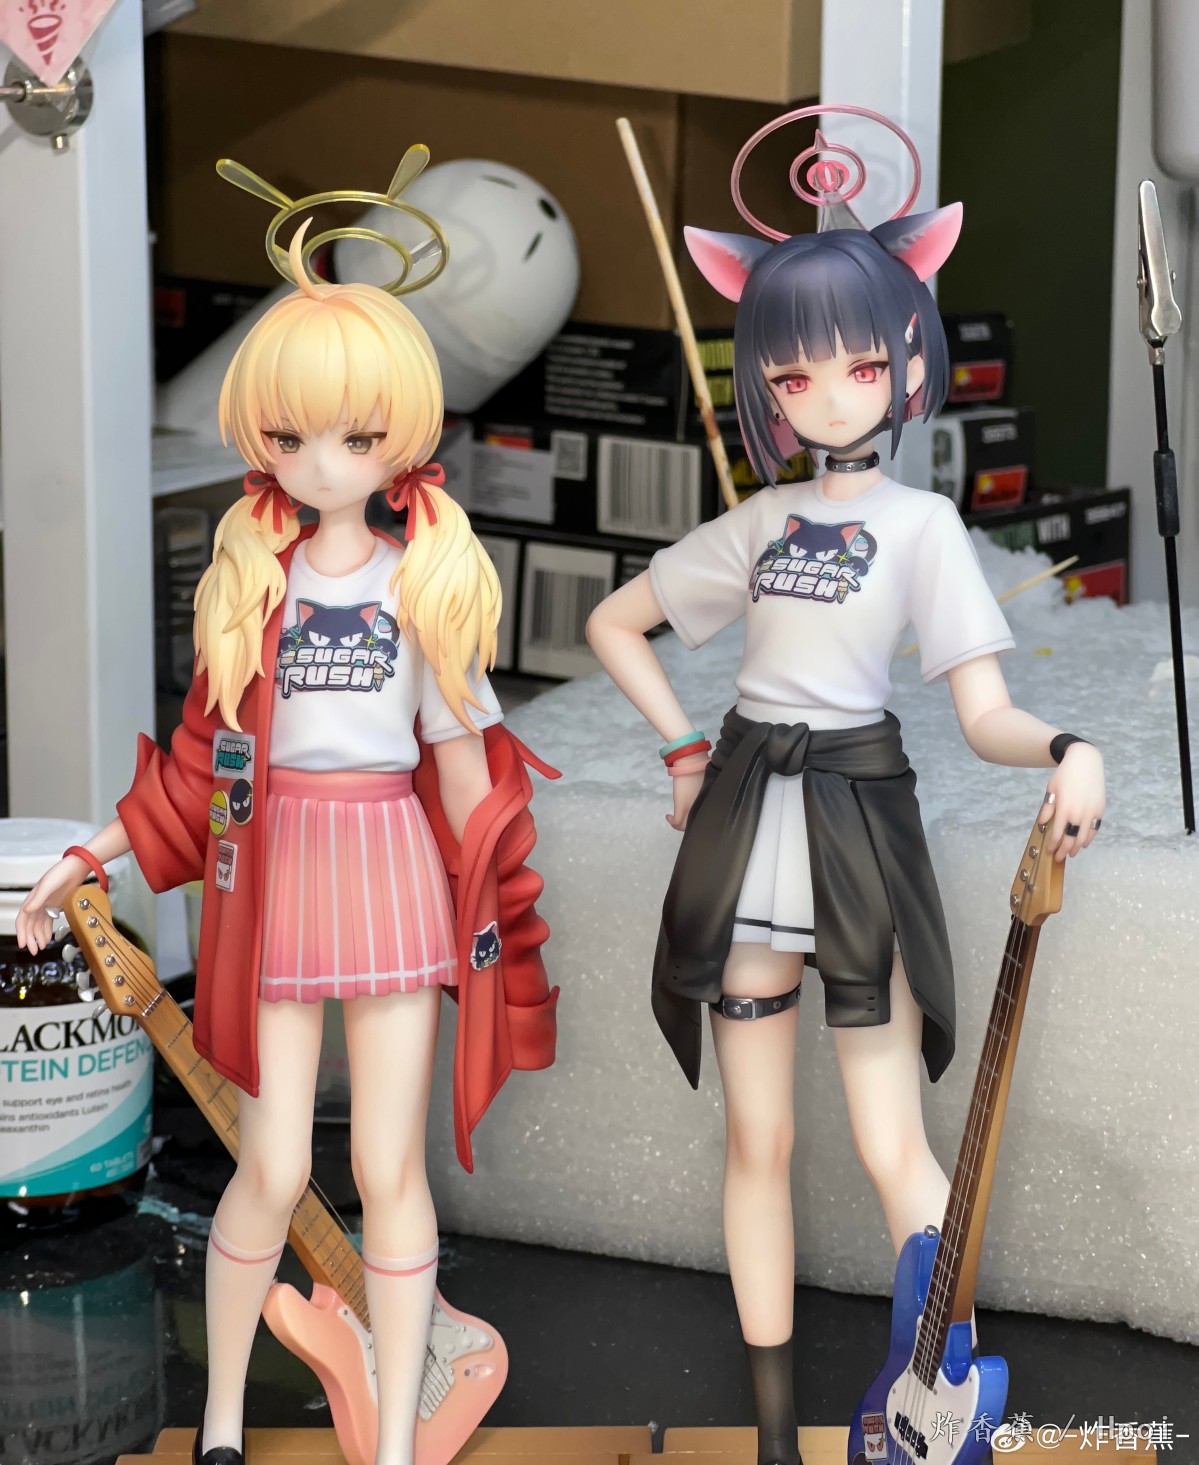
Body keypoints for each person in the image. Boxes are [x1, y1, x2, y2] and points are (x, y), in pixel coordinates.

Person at [17, 174, 558, 1465]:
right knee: (266, 1165)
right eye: (296, 435)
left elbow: (469, 778)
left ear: (399, 437)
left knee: (387, 1168)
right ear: (264, 436)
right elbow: (197, 769)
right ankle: (218, 1419)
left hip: (392, 874)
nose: (325, 462)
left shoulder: (429, 585)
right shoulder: (249, 590)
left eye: (356, 436)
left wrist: (501, 919)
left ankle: (394, 1436)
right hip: (276, 878)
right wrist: (86, 856)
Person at [585, 126, 1104, 1465]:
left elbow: (982, 711)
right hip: (747, 811)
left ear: (910, 363)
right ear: (763, 381)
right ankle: (772, 1433)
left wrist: (1066, 747)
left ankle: (938, 1394)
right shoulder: (759, 525)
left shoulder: (924, 529)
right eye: (795, 371)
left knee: (891, 1143)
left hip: (857, 822)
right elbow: (616, 622)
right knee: (755, 1139)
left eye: (862, 364)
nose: (829, 394)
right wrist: (683, 750)